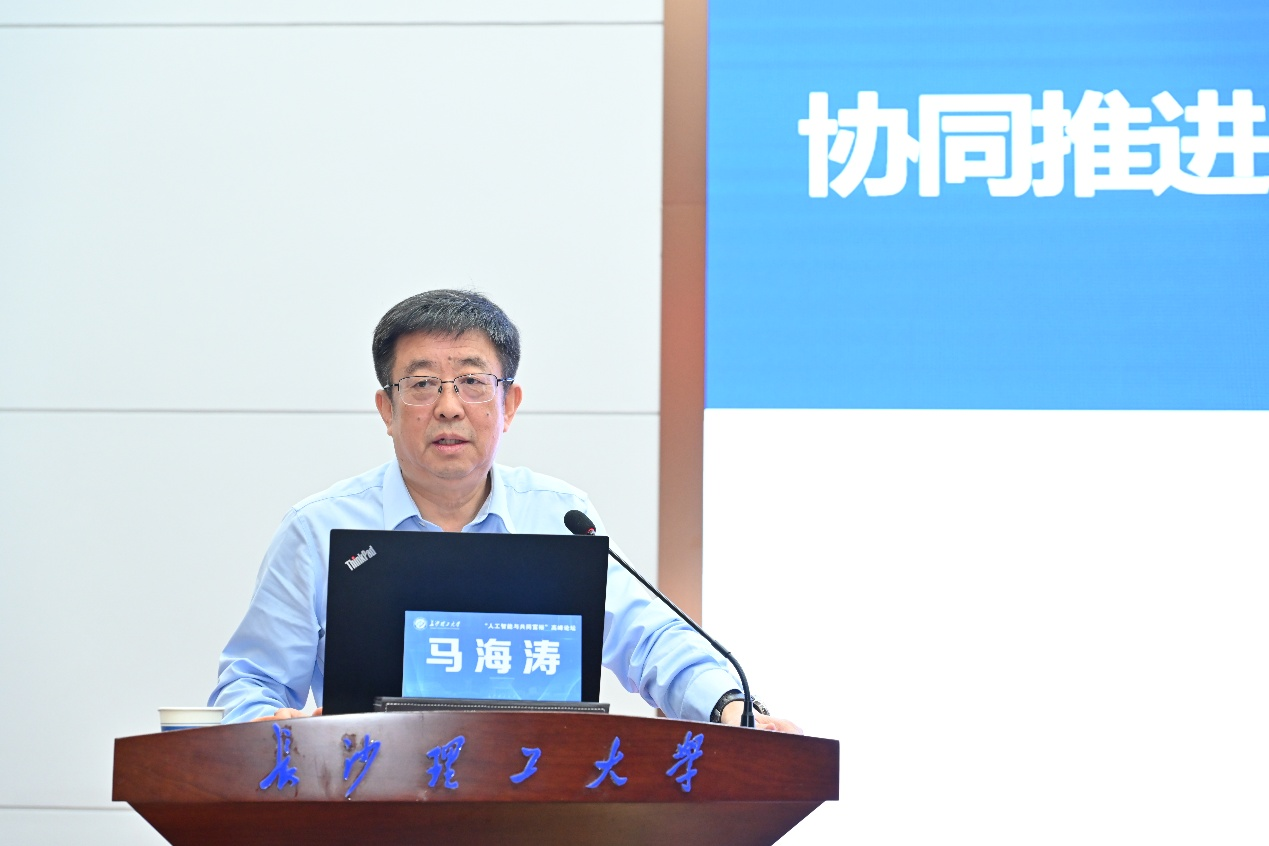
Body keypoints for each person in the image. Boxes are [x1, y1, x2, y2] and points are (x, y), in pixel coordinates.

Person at [209, 289, 799, 732]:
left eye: (471, 381)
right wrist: (267, 724)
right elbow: (249, 683)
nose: (448, 407)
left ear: (508, 403)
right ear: (386, 409)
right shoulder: (318, 530)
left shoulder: (561, 519)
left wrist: (730, 707)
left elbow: (653, 642)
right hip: (365, 811)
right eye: (421, 385)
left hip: (534, 812)